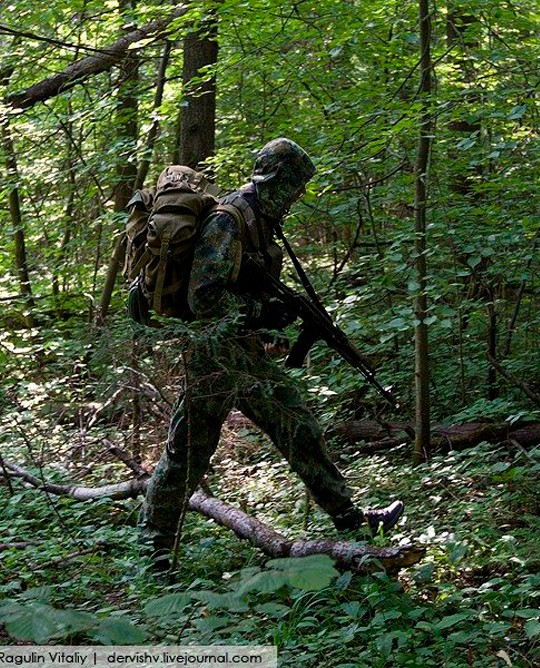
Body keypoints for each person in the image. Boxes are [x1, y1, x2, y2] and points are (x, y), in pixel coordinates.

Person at [138, 138, 403, 571]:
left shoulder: (262, 220)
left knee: (297, 425)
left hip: (242, 351)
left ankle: (352, 522)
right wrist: (264, 312)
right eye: (295, 187)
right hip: (213, 355)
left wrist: (267, 328)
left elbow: (243, 287)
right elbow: (204, 298)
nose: (297, 197)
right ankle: (153, 551)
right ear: (277, 181)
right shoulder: (229, 220)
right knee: (189, 450)